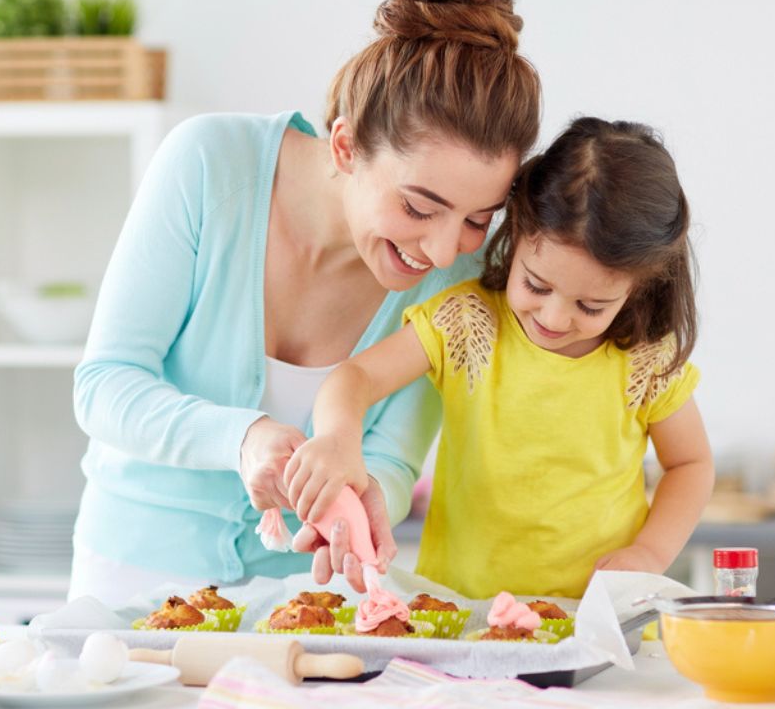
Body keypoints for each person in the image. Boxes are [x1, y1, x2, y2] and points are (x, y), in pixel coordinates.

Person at [69, 0, 541, 605]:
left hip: (304, 599)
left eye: (478, 219)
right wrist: (242, 439)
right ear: (345, 146)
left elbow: (394, 459)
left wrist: (364, 493)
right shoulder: (209, 165)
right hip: (130, 573)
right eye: (419, 207)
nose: (445, 250)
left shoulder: (464, 273)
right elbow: (105, 384)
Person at [285, 117, 714, 598]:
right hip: (463, 611)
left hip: (590, 619)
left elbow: (691, 465)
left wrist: (650, 554)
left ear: (639, 288)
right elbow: (355, 377)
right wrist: (338, 440)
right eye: (535, 284)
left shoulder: (644, 360)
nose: (553, 316)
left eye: (591, 306)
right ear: (516, 235)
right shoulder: (468, 323)